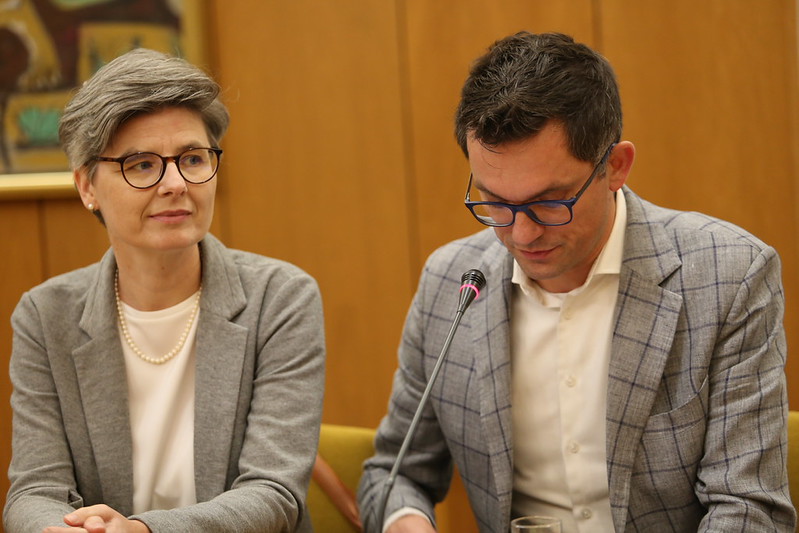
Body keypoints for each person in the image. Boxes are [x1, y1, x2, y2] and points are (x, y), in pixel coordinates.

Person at [357, 31, 796, 532]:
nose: (522, 234)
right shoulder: (450, 282)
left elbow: (747, 509)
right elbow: (392, 474)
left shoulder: (727, 277)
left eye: (550, 201)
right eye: (495, 202)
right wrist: (406, 520)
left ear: (616, 166)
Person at [3, 48, 326, 533]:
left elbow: (274, 493)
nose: (176, 184)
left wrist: (144, 530)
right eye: (141, 165)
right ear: (87, 186)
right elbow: (34, 491)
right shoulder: (46, 315)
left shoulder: (279, 298)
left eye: (193, 159)